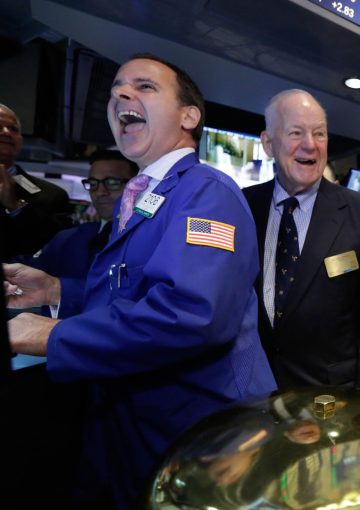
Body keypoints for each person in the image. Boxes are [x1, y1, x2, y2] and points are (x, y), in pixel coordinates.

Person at [4, 54, 276, 509]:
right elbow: (129, 292)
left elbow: (191, 314)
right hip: (137, 426)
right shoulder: (147, 194)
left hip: (199, 437)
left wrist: (54, 334)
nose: (120, 95)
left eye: (145, 86)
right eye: (116, 88)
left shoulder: (206, 191)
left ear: (189, 116)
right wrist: (56, 292)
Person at [242, 89, 360, 390]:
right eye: (296, 132)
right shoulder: (243, 207)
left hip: (332, 401)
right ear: (268, 144)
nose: (310, 145)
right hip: (255, 394)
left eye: (320, 133)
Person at [23, 150, 139, 281]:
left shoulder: (148, 240)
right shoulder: (66, 239)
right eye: (93, 183)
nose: (100, 192)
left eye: (112, 182)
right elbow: (30, 273)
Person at [0, 103, 73, 261]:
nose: (6, 132)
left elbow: (58, 251)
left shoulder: (52, 196)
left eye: (13, 129)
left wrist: (15, 207)